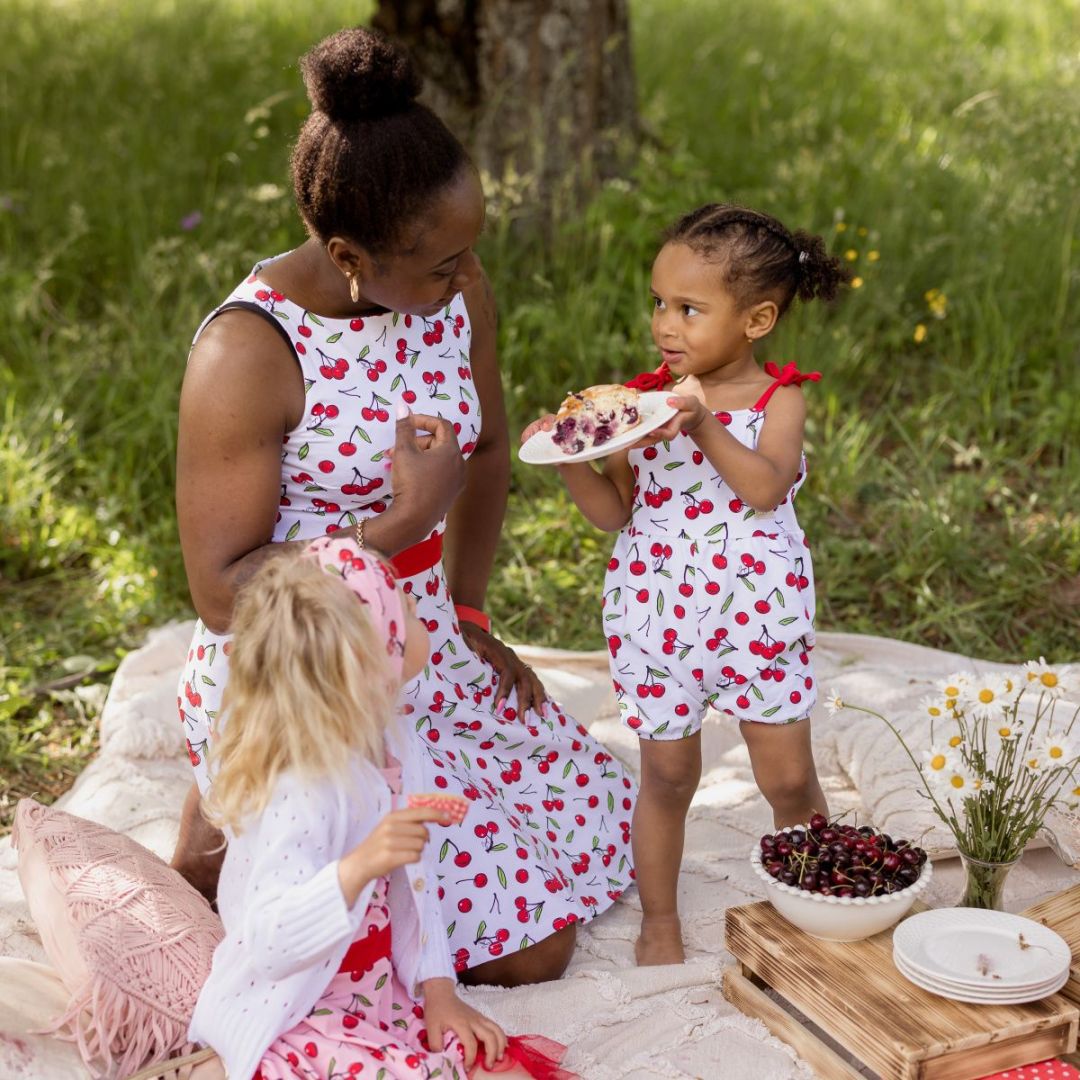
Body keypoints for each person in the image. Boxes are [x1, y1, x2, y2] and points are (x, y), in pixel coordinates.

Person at [173, 25, 635, 988]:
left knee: (608, 823)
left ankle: (228, 831)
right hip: (300, 674)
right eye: (443, 265)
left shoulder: (451, 288)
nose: (467, 279)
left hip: (419, 645)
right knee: (534, 949)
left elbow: (491, 446)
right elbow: (220, 593)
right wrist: (395, 530)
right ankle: (231, 819)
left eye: (470, 254)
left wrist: (466, 613)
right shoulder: (248, 353)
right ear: (349, 254)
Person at [521, 204, 849, 965]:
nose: (665, 325)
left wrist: (702, 423)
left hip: (756, 617)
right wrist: (569, 458)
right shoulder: (637, 407)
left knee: (788, 778)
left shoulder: (777, 399)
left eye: (689, 309)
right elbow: (615, 513)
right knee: (667, 776)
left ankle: (819, 901)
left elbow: (765, 488)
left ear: (757, 319)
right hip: (656, 617)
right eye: (659, 303)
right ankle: (660, 918)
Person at [188, 539, 575, 1080]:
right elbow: (269, 944)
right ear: (374, 662)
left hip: (376, 998)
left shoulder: (395, 744)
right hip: (294, 1016)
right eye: (406, 612)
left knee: (503, 1069)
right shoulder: (301, 787)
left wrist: (439, 992)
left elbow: (417, 888)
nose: (419, 611)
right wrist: (359, 866)